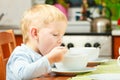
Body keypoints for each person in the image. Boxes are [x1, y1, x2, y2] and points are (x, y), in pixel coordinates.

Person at [6, 4, 68, 80]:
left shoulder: (42, 53)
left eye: (62, 36)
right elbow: (22, 75)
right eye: (55, 35)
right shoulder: (20, 53)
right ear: (35, 33)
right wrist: (50, 59)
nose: (60, 41)